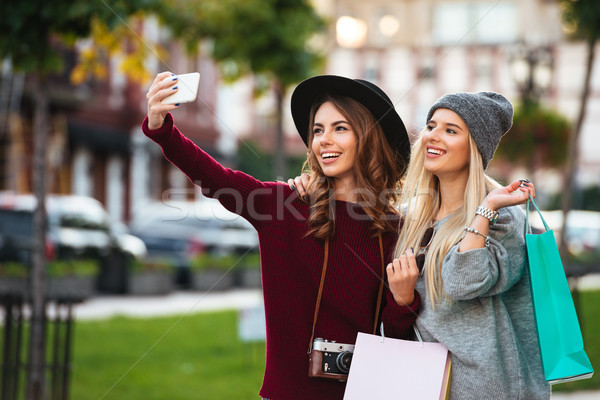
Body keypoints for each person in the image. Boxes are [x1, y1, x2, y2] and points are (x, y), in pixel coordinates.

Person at [143, 72, 420, 400]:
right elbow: (216, 179)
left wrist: (404, 301)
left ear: (371, 138)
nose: (323, 140)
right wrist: (163, 131)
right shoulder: (283, 207)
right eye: (318, 130)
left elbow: (398, 344)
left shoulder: (398, 232)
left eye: (340, 128)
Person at [390, 91, 551, 399]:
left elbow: (463, 282)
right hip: (422, 383)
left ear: (475, 147)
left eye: (451, 130)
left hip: (485, 387)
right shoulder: (411, 217)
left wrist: (485, 209)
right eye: (432, 126)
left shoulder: (502, 216)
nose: (433, 137)